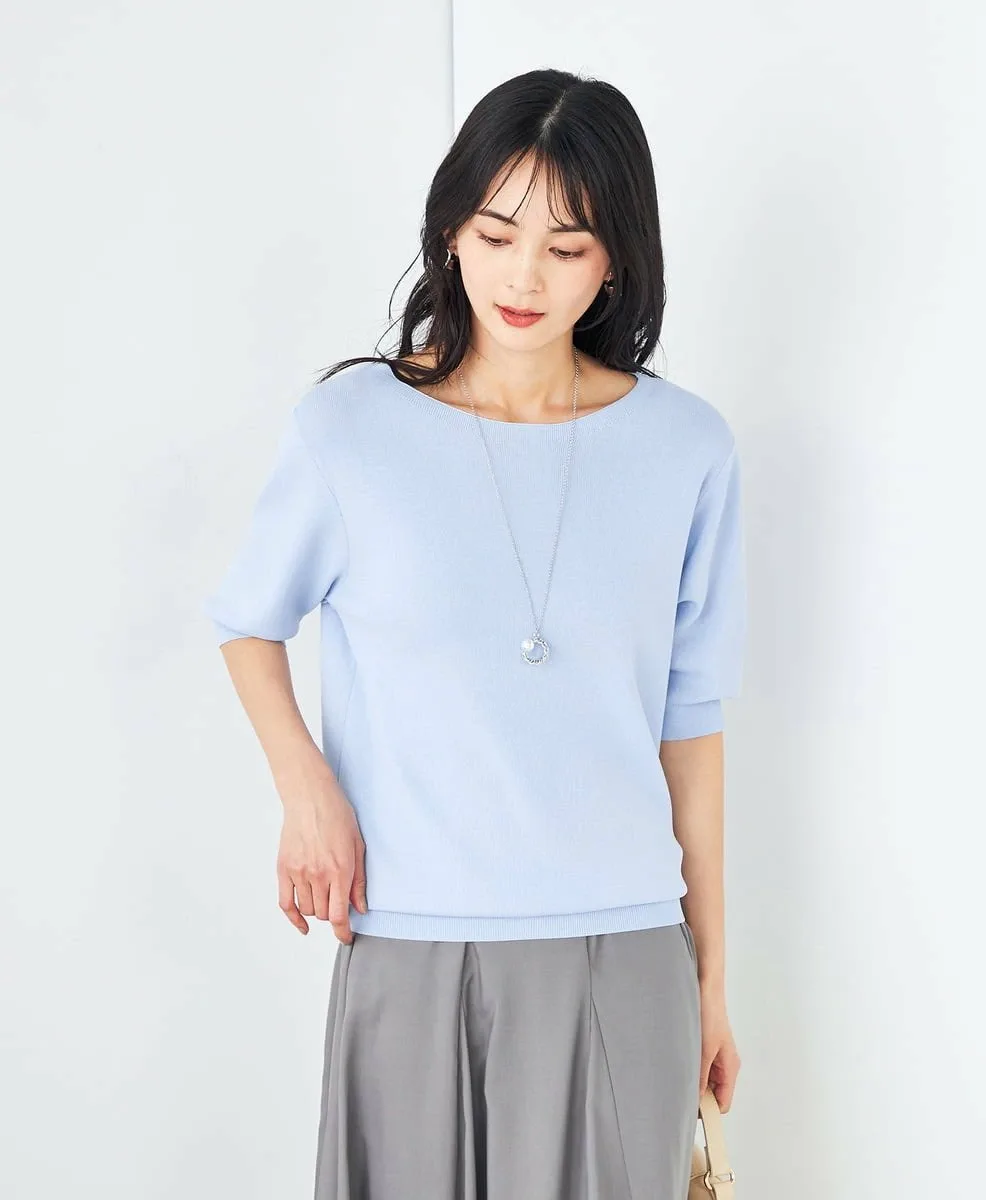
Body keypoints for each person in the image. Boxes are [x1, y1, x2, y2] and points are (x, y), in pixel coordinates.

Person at [203, 66, 746, 1200]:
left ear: (614, 261)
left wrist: (711, 980)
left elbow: (690, 728)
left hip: (622, 947)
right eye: (497, 235)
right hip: (408, 937)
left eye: (566, 246)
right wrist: (307, 789)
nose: (523, 277)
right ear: (451, 231)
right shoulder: (350, 429)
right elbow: (250, 622)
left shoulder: (687, 449)